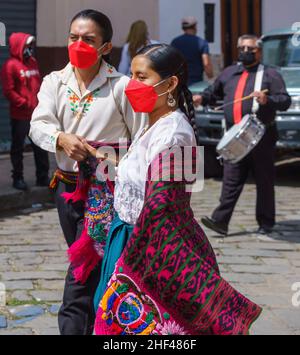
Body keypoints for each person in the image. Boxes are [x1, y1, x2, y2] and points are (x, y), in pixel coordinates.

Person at [86, 44, 262, 335]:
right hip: (129, 239)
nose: (132, 84)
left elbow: (160, 206)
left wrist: (132, 262)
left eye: (142, 77)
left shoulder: (174, 134)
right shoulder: (152, 125)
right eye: (131, 75)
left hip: (150, 247)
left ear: (170, 83)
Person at [29, 9, 147, 335]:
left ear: (106, 47)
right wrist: (60, 138)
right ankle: (103, 324)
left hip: (107, 193)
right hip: (67, 187)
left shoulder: (122, 87)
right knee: (92, 266)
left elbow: (142, 140)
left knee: (84, 265)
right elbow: (38, 126)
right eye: (73, 37)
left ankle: (77, 325)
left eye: (88, 39)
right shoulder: (54, 82)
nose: (79, 44)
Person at [193, 34, 291, 236]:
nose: (246, 52)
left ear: (259, 51)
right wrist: (201, 98)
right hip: (234, 135)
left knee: (264, 180)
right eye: (243, 49)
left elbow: (284, 100)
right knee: (231, 179)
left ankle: (266, 223)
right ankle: (220, 221)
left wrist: (267, 99)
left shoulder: (270, 75)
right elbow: (213, 92)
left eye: (251, 49)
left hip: (261, 136)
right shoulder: (229, 73)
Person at [1, 33, 49, 190]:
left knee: (40, 146)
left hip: (36, 115)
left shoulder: (32, 62)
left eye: (31, 46)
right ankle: (18, 178)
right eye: (27, 46)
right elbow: (9, 91)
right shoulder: (10, 65)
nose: (30, 49)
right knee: (18, 148)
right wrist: (24, 103)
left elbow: (38, 84)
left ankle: (42, 177)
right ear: (18, 46)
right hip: (20, 115)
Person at [171, 16, 213, 86]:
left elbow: (171, 61)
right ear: (195, 27)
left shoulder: (175, 42)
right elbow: (206, 64)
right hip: (196, 81)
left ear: (183, 28)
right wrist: (211, 77)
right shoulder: (202, 42)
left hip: (179, 80)